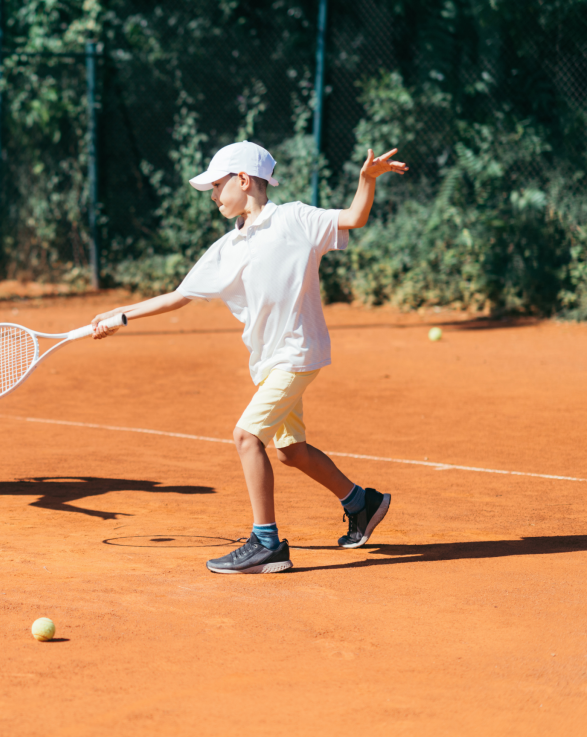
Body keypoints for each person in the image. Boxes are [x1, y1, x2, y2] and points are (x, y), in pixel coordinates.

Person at [90, 141, 408, 572]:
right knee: (291, 451)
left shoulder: (294, 218)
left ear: (244, 180)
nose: (214, 197)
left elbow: (354, 218)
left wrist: (366, 181)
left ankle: (267, 543)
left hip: (298, 353)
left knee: (246, 437)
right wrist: (120, 315)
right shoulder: (229, 247)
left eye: (217, 186)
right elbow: (179, 296)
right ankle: (362, 503)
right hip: (268, 361)